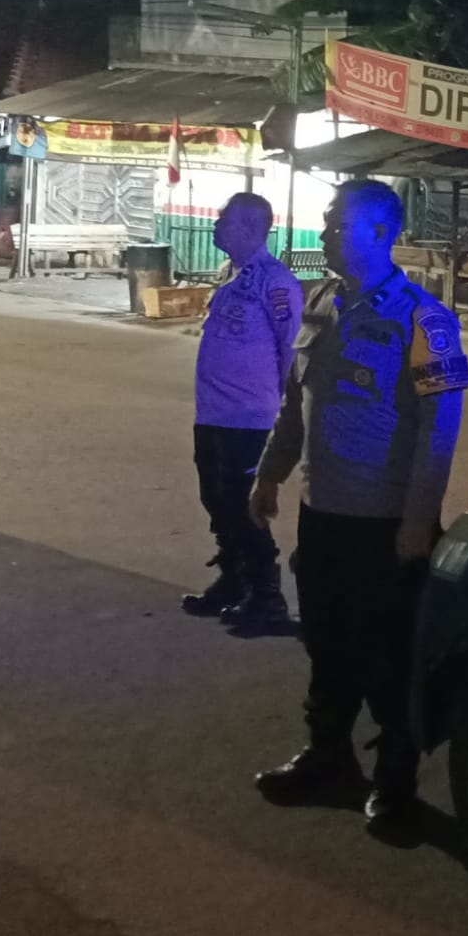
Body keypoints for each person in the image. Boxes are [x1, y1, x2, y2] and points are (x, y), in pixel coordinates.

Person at [248, 179, 468, 830]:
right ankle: (328, 756)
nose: (323, 235)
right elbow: (297, 404)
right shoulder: (321, 302)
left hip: (386, 524)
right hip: (323, 513)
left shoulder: (424, 319)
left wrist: (418, 517)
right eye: (326, 223)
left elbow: (439, 428)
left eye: (337, 225)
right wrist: (270, 473)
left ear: (381, 233)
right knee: (326, 644)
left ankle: (395, 785)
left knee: (387, 657)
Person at [181, 192, 303, 631]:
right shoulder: (231, 275)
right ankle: (234, 579)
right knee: (216, 500)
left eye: (225, 219)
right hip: (212, 412)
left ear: (251, 227)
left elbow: (291, 349)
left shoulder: (275, 281)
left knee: (243, 505)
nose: (216, 225)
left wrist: (283, 407)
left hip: (249, 417)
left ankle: (267, 596)